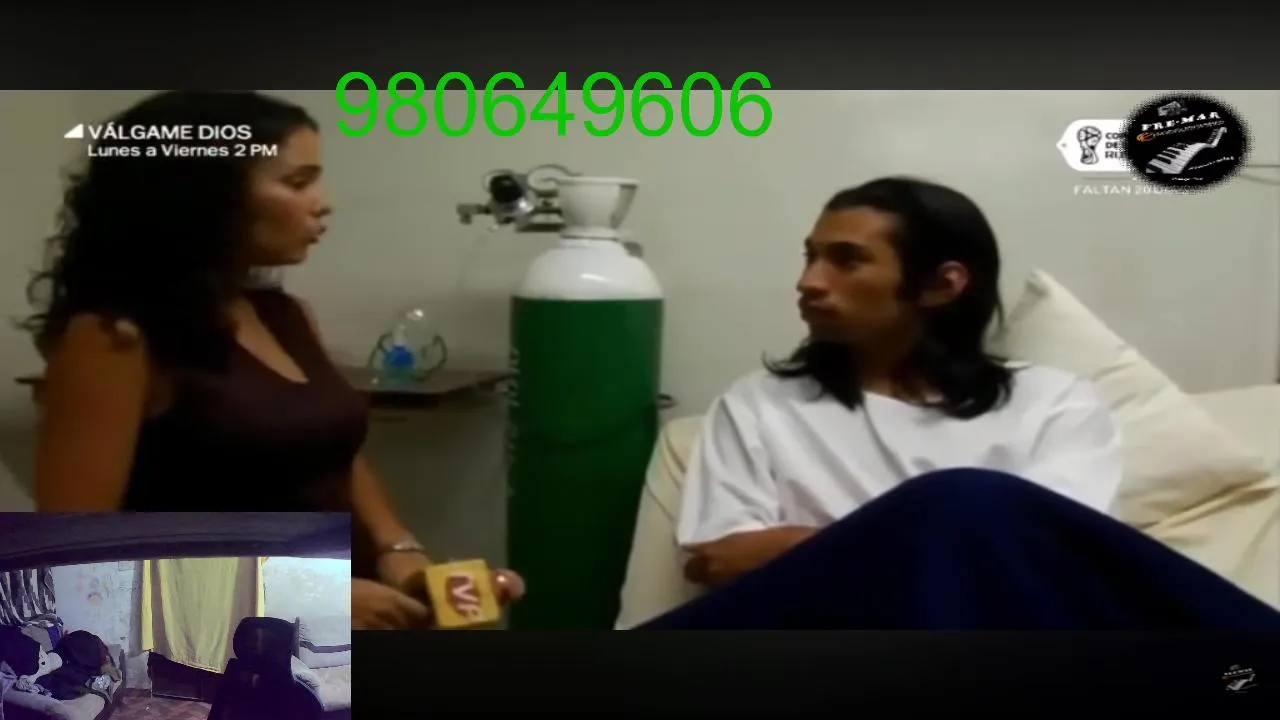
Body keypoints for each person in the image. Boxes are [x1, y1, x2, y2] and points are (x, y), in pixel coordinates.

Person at [640, 177, 1280, 630]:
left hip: (997, 637)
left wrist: (922, 536)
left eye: (846, 261)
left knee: (969, 508)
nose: (808, 282)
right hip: (817, 632)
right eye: (810, 257)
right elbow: (720, 559)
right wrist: (928, 536)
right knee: (960, 505)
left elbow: (1036, 557)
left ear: (943, 284)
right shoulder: (761, 404)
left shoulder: (1052, 403)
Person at [22, 90, 524, 627]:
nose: (323, 203)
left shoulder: (286, 315)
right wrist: (303, 597)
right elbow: (71, 564)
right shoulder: (113, 339)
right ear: (205, 196)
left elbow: (334, 453)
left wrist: (400, 553)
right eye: (297, 182)